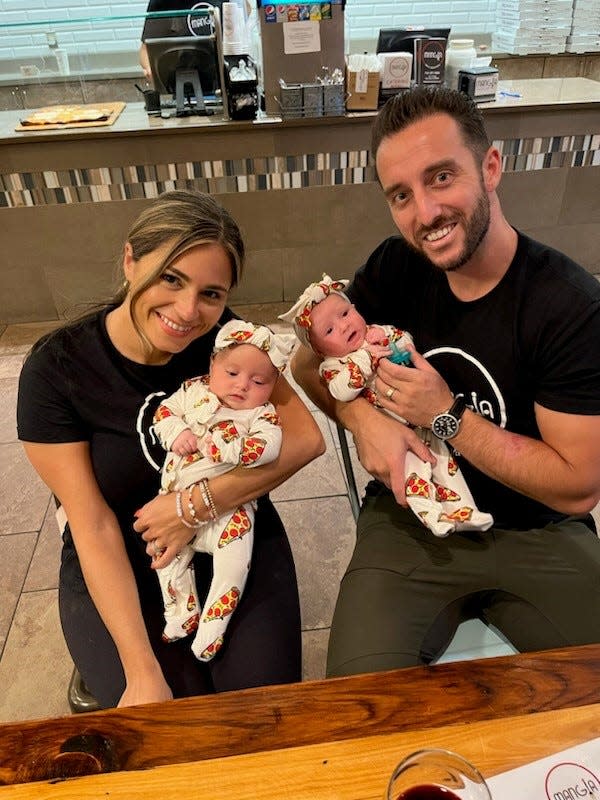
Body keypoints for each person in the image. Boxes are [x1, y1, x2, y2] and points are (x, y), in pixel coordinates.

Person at [291, 86, 600, 677]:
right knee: (360, 708)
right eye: (401, 195)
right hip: (411, 523)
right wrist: (364, 423)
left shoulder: (568, 306)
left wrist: (446, 416)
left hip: (538, 529)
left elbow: (578, 486)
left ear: (490, 167)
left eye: (440, 178)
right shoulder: (394, 268)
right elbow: (311, 361)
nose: (425, 214)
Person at [17, 189, 324, 708]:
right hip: (120, 550)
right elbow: (90, 523)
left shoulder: (232, 342)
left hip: (229, 527)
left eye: (212, 293)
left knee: (259, 712)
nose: (188, 311)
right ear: (131, 260)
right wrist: (140, 671)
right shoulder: (57, 369)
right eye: (171, 278)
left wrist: (193, 507)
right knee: (172, 717)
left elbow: (303, 440)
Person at [280, 273, 493, 537]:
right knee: (414, 472)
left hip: (421, 416)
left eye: (345, 314)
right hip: (393, 429)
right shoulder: (334, 366)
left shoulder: (376, 333)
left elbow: (405, 339)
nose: (344, 326)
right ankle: (432, 516)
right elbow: (342, 390)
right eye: (330, 330)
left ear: (356, 309)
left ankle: (467, 511)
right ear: (321, 350)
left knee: (445, 464)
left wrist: (395, 341)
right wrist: (365, 359)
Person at [152, 318, 295, 660]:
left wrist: (222, 448)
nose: (242, 386)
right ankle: (181, 612)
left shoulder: (262, 416)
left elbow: (268, 448)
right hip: (172, 502)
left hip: (230, 508)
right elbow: (164, 413)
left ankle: (215, 623)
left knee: (234, 562)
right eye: (232, 374)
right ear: (212, 365)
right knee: (165, 556)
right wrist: (176, 434)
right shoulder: (192, 391)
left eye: (258, 381)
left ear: (272, 386)